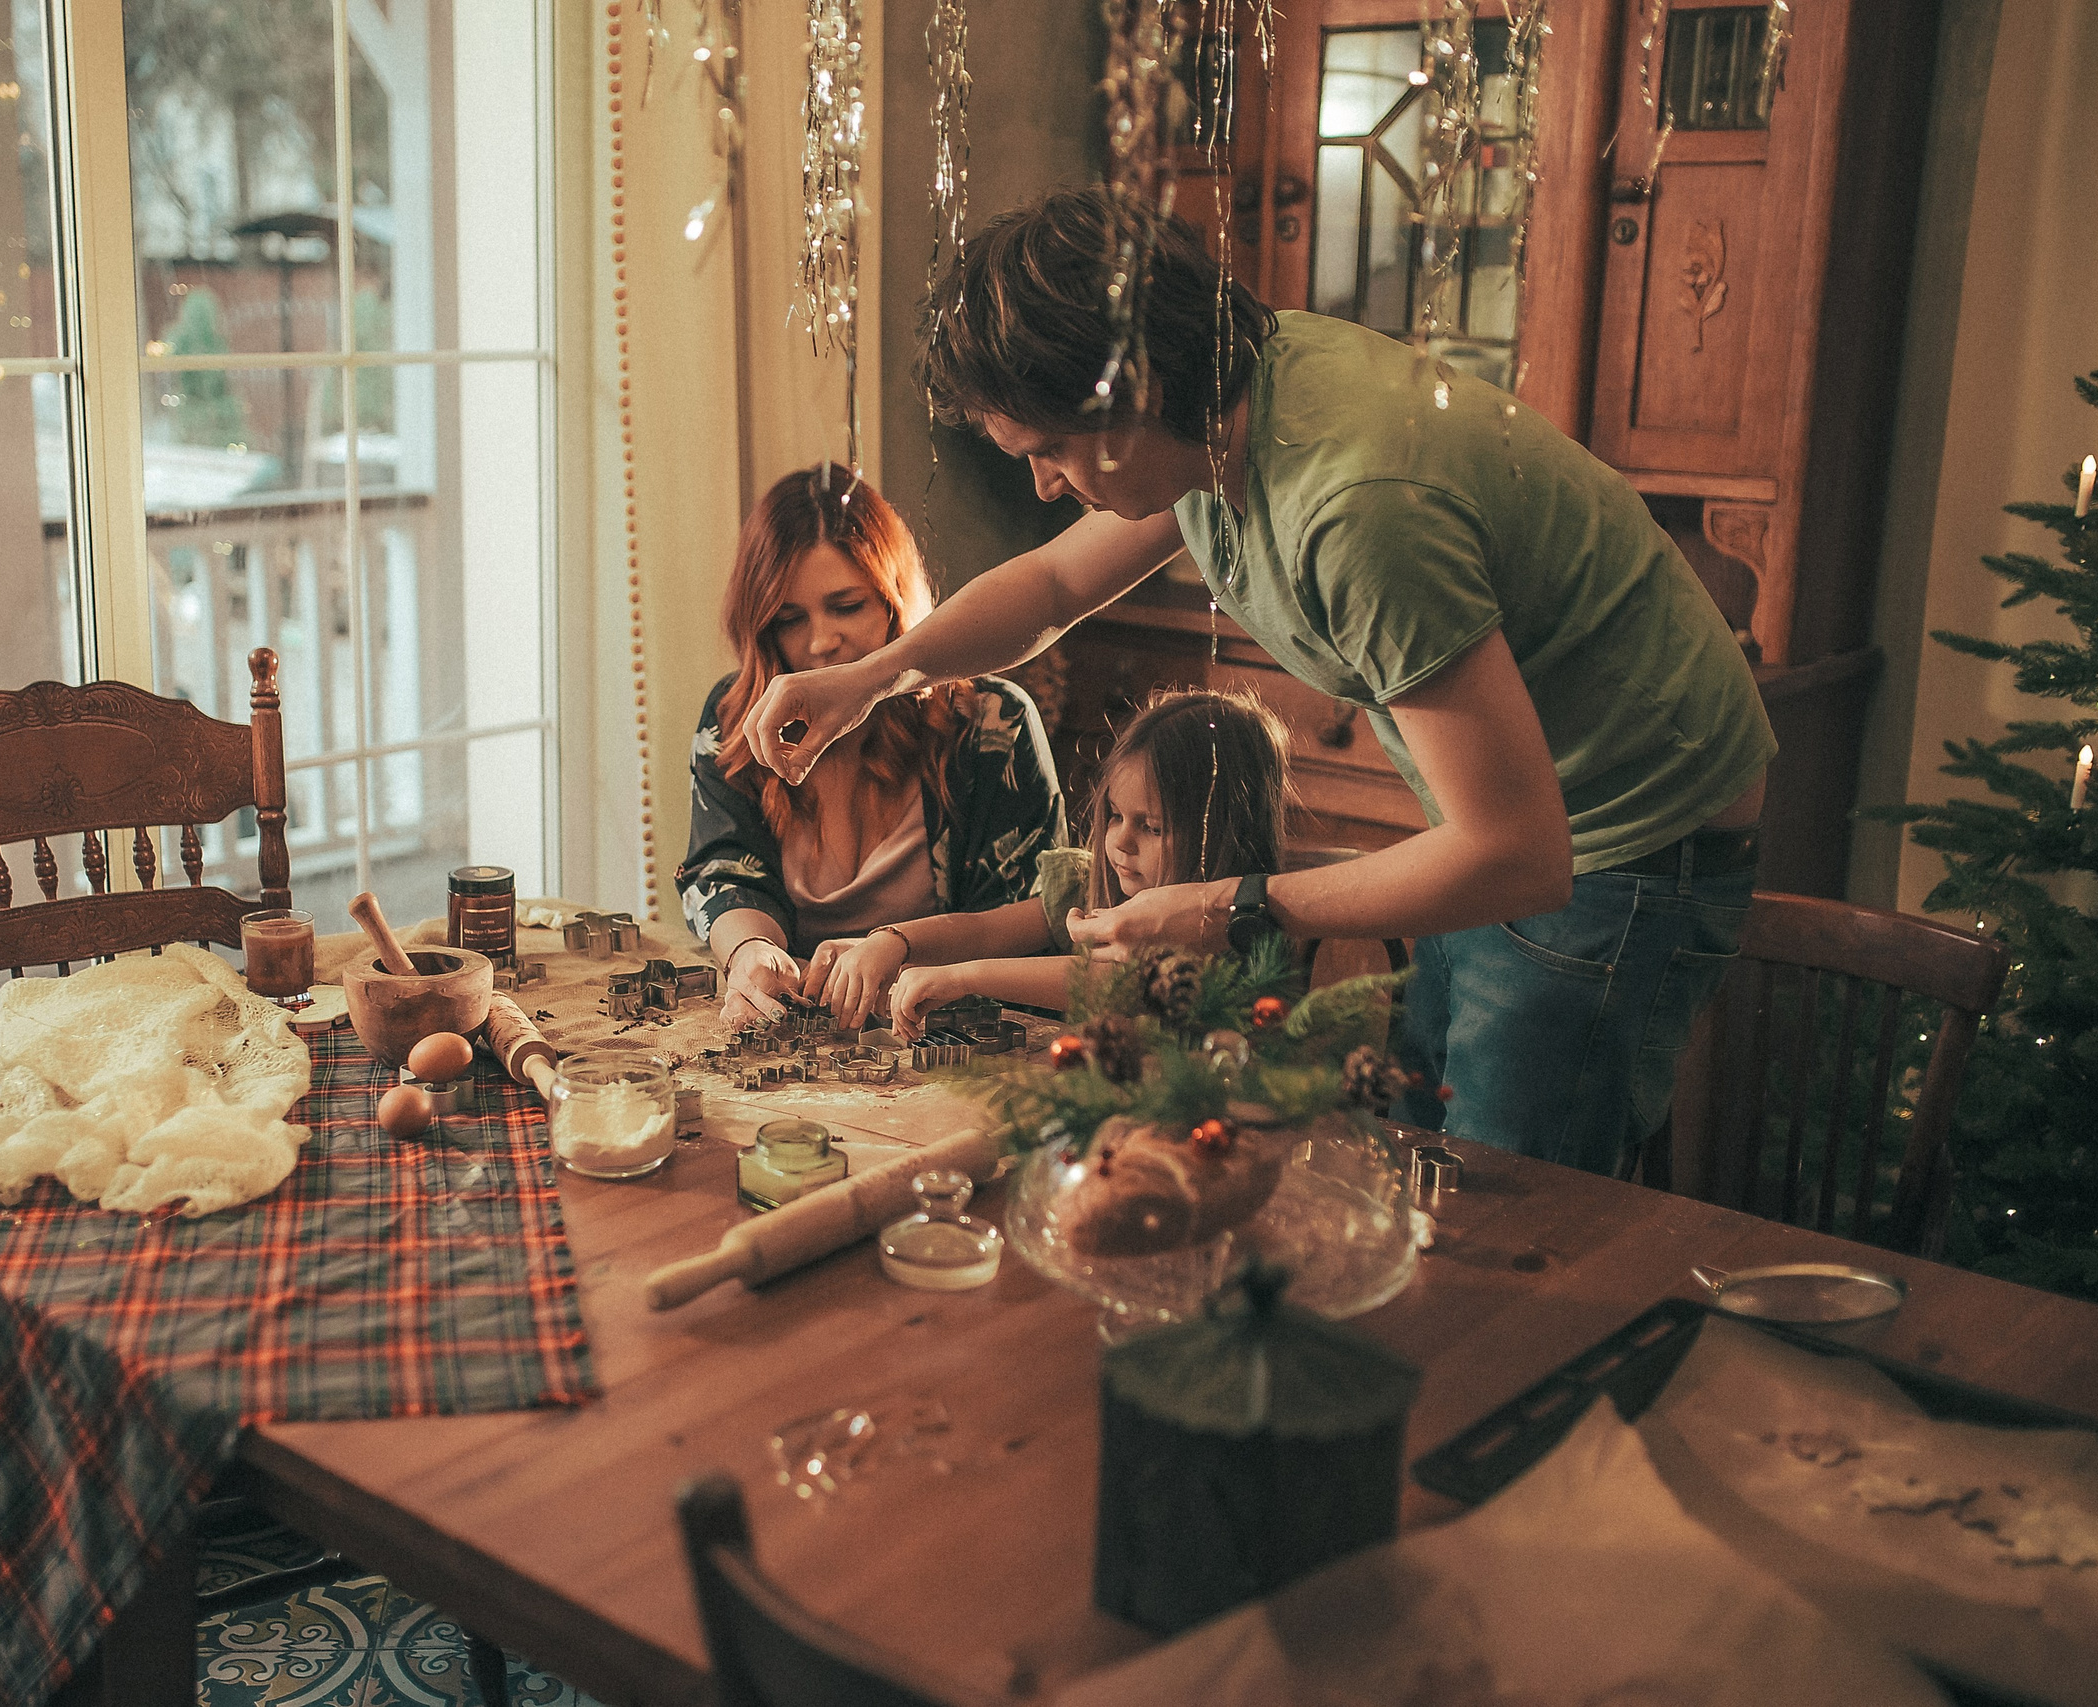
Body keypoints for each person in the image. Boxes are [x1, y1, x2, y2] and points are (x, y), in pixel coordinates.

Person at [739, 188, 1776, 1177]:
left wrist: (1238, 904)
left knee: (1503, 1205)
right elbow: (1052, 583)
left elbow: (1516, 854)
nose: (1042, 485)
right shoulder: (1220, 405)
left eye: (1049, 453)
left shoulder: (1357, 506)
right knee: (1419, 1155)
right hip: (1524, 825)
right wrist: (870, 679)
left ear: (1128, 397)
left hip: (1631, 835)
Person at [676, 463, 1066, 1027]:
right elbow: (722, 871)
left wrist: (897, 949)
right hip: (805, 1042)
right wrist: (747, 953)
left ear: (893, 600)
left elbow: (1038, 922)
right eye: (789, 619)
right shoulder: (736, 716)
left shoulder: (990, 724)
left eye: (847, 606)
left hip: (953, 1039)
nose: (821, 641)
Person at [805, 690, 1294, 1038]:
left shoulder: (1225, 929)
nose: (1120, 841)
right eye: (1117, 816)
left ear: (1224, 832)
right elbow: (983, 930)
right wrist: (893, 942)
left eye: (1153, 827)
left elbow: (1114, 984)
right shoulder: (1088, 886)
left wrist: (964, 978)